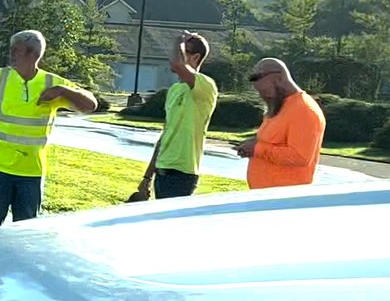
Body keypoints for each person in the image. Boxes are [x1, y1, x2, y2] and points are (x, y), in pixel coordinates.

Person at [0, 29, 99, 236]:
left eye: (16, 49)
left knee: (26, 235)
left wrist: (63, 92)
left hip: (31, 174)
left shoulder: (51, 83)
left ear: (33, 54)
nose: (11, 53)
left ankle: (18, 269)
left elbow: (91, 105)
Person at [137, 33, 217, 200]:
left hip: (183, 172)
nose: (173, 56)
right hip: (162, 169)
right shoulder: (174, 90)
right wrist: (147, 177)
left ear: (195, 57)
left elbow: (177, 64)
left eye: (182, 51)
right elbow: (165, 135)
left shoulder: (206, 85)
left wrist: (178, 40)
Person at [236, 57, 326, 189]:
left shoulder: (304, 110)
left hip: (284, 198)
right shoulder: (281, 106)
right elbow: (273, 141)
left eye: (265, 92)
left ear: (278, 78)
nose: (263, 97)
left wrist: (256, 149)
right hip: (265, 196)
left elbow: (300, 157)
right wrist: (251, 145)